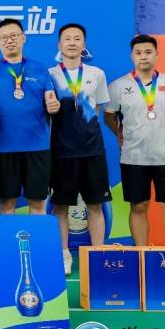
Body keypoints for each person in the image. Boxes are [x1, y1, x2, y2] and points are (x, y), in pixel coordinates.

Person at [104, 34, 165, 247]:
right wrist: (119, 134)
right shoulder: (118, 86)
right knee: (138, 206)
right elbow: (109, 116)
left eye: (148, 52)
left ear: (157, 55)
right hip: (133, 158)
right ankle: (142, 254)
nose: (143, 56)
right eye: (138, 53)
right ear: (132, 56)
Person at [48, 23, 112, 275]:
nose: (72, 43)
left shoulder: (97, 73)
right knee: (60, 207)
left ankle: (98, 255)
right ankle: (64, 254)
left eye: (77, 39)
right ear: (59, 44)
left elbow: (98, 108)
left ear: (84, 45)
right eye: (67, 39)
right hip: (62, 151)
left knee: (95, 205)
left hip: (92, 150)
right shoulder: (50, 74)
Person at [0, 19, 60, 215]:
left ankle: (36, 237)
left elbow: (51, 100)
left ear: (23, 38)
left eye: (13, 35)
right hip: (4, 149)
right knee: (6, 204)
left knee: (38, 204)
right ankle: (8, 238)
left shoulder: (40, 69)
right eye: (4, 37)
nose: (9, 40)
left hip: (38, 148)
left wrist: (54, 105)